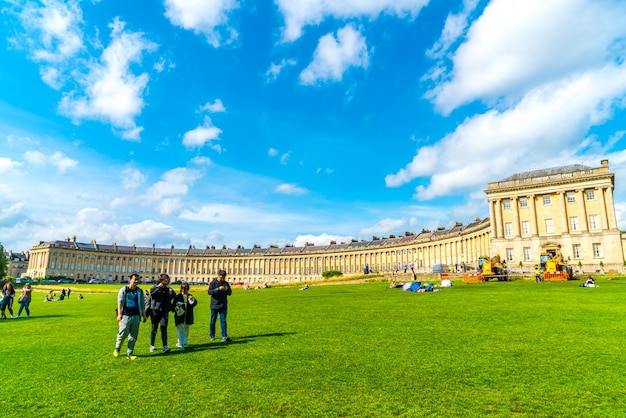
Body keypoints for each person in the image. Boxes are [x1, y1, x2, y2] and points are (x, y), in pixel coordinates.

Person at [114, 273, 147, 360]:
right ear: (130, 279)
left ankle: (130, 353)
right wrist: (119, 314)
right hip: (125, 315)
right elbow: (120, 302)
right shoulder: (124, 290)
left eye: (138, 279)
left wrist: (144, 315)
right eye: (135, 279)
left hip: (136, 316)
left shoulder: (139, 291)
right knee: (123, 333)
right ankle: (117, 348)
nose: (137, 281)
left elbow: (143, 304)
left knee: (133, 336)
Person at [149, 273, 176, 353]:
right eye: (165, 279)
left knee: (164, 327)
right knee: (154, 328)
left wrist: (171, 291)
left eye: (167, 279)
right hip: (155, 311)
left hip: (164, 311)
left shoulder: (168, 289)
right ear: (161, 280)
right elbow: (153, 295)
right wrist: (159, 288)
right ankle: (152, 345)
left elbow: (173, 296)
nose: (166, 280)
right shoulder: (155, 287)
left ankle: (165, 346)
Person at [208, 270, 232, 342]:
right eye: (222, 277)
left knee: (223, 321)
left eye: (224, 277)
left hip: (223, 305)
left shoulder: (226, 283)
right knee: (213, 321)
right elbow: (210, 292)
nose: (223, 279)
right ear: (218, 275)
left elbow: (230, 293)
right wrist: (218, 289)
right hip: (214, 305)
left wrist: (227, 289)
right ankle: (212, 335)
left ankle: (224, 336)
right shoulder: (213, 283)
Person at [174, 282, 198, 351]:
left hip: (187, 316)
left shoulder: (190, 296)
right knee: (181, 329)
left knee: (186, 330)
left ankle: (180, 342)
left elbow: (195, 303)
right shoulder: (178, 296)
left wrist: (192, 299)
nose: (184, 290)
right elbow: (174, 306)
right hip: (179, 315)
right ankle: (182, 344)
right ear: (181, 289)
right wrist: (177, 306)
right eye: (183, 289)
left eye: (186, 289)